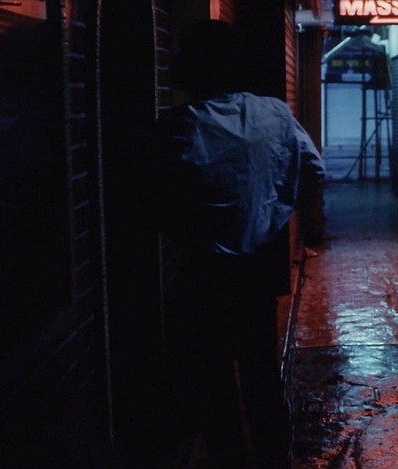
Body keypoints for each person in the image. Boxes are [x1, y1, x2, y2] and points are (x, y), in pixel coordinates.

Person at [147, 19, 326, 468]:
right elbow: (313, 173)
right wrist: (273, 210)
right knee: (261, 372)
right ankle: (274, 456)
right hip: (259, 268)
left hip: (204, 270)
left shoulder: (179, 125)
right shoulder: (275, 113)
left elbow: (153, 199)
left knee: (213, 381)